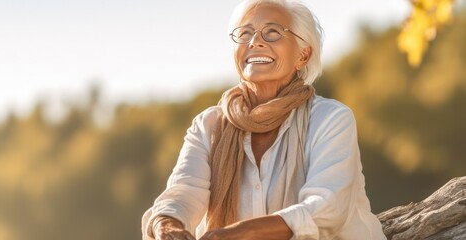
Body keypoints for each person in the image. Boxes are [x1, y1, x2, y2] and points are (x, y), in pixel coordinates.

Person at [142, 0, 386, 239]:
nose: (255, 41)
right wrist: (166, 224)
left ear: (303, 55)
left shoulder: (331, 119)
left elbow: (326, 208)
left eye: (272, 32)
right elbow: (184, 191)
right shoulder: (209, 125)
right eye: (245, 33)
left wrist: (243, 231)